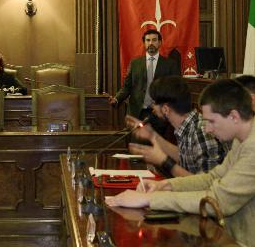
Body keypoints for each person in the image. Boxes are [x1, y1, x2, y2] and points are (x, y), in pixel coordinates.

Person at [106, 79, 255, 247]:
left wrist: (149, 199)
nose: (207, 129)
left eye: (211, 121)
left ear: (234, 116)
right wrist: (167, 185)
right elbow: (212, 178)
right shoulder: (241, 141)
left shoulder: (252, 147)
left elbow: (218, 201)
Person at [127, 76, 227, 177]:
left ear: (165, 109)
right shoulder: (188, 126)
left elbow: (206, 184)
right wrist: (152, 135)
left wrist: (163, 161)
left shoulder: (201, 130)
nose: (152, 107)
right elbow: (184, 156)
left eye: (154, 103)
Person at [109, 29, 181, 120]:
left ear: (159, 43)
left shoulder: (170, 64)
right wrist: (116, 99)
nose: (151, 43)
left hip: (159, 114)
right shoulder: (135, 63)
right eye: (148, 40)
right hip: (137, 113)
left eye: (154, 40)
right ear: (144, 43)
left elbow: (175, 90)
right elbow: (127, 87)